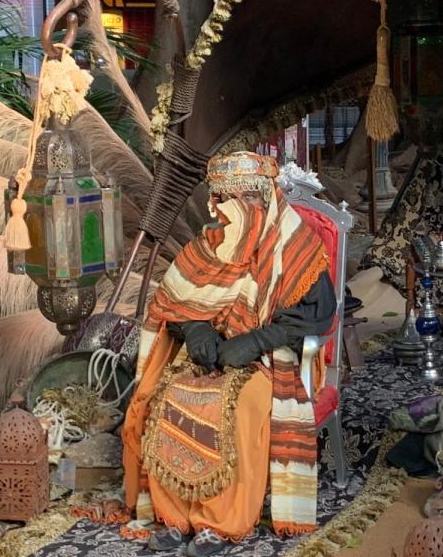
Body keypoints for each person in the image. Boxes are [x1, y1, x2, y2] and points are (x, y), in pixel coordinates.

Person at [122, 152, 336, 556]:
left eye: (244, 199)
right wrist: (194, 327)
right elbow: (174, 299)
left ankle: (219, 523)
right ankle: (174, 516)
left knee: (238, 407)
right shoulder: (210, 242)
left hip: (270, 358)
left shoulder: (295, 244)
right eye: (224, 199)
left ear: (265, 199)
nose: (231, 209)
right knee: (169, 397)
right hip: (207, 353)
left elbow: (318, 315)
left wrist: (256, 341)